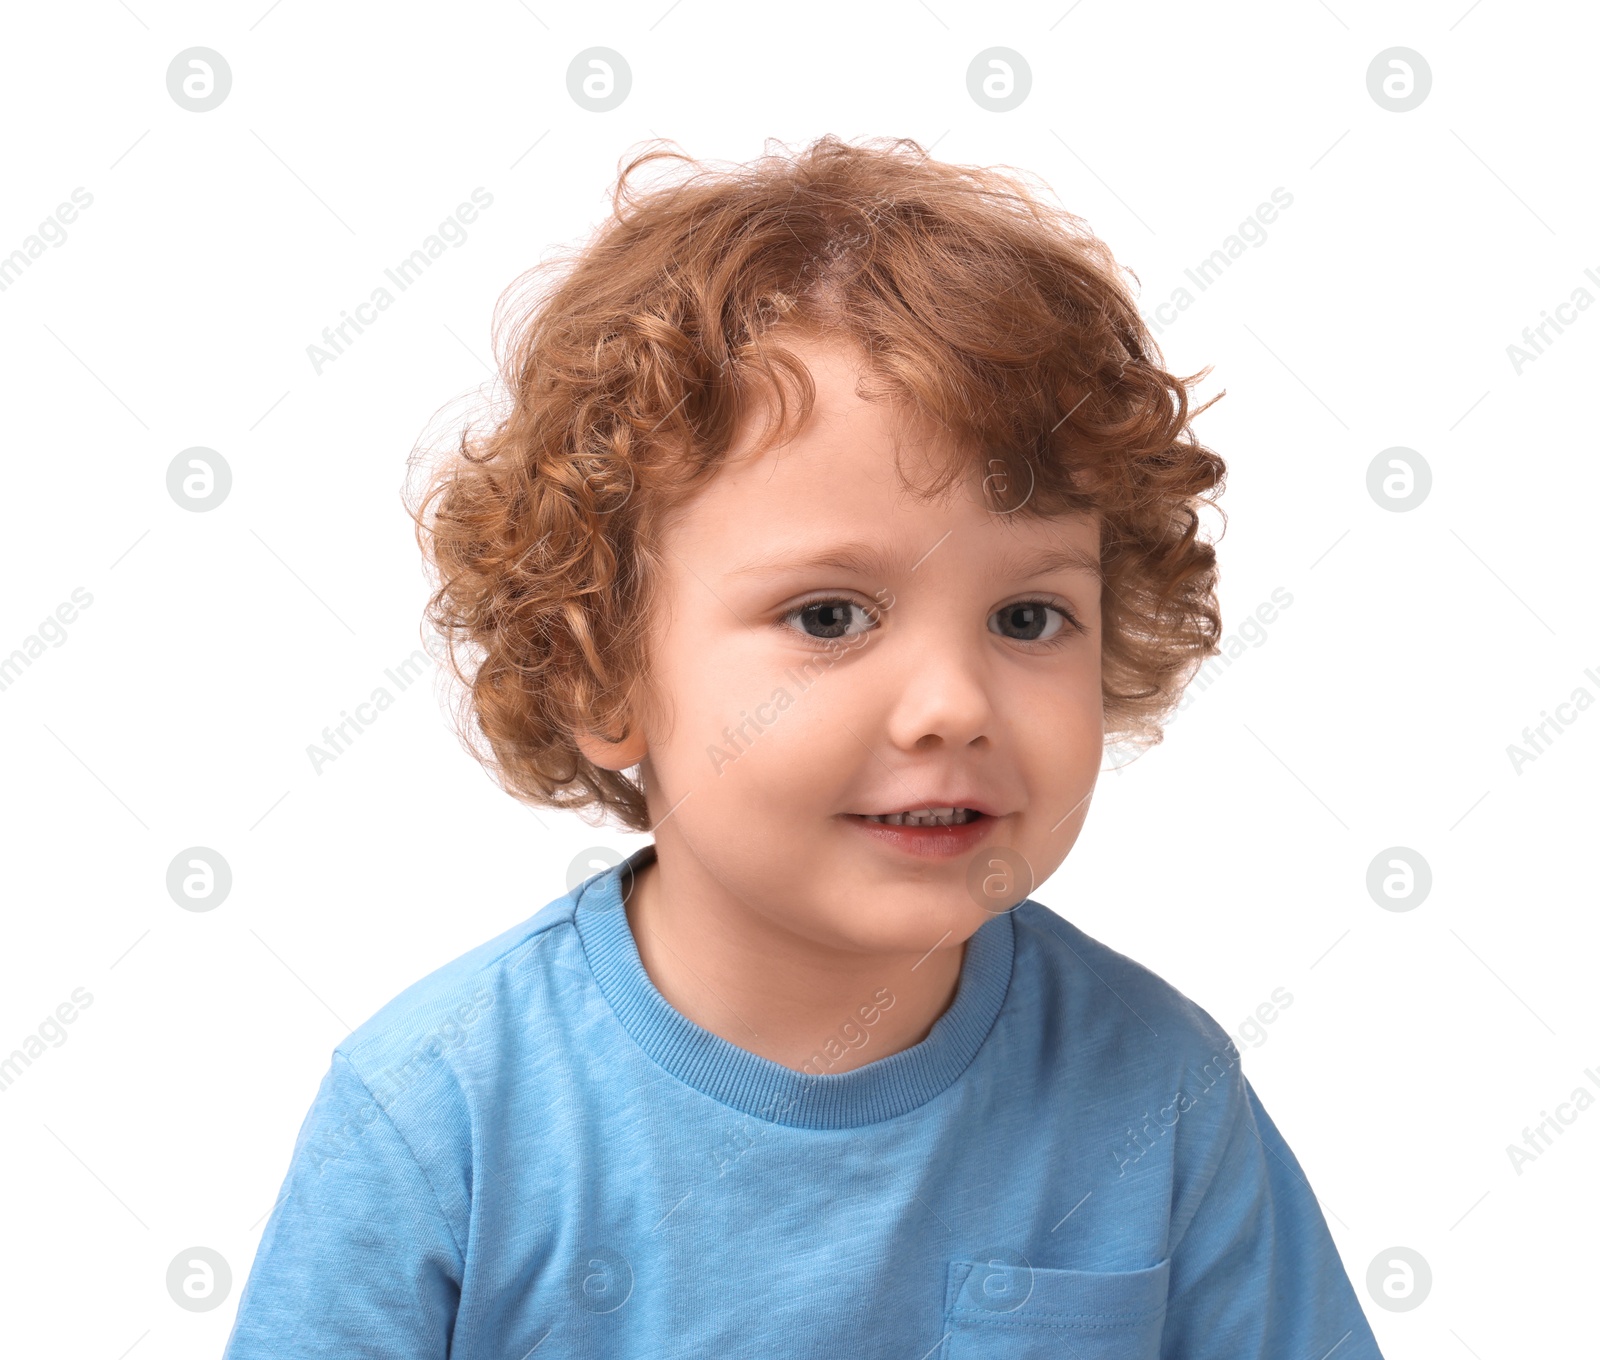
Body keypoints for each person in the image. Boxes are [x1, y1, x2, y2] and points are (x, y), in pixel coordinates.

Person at [221, 134, 1384, 1359]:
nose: (951, 704)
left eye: (1027, 617)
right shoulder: (438, 1112)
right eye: (829, 615)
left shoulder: (1157, 1095)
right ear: (599, 667)